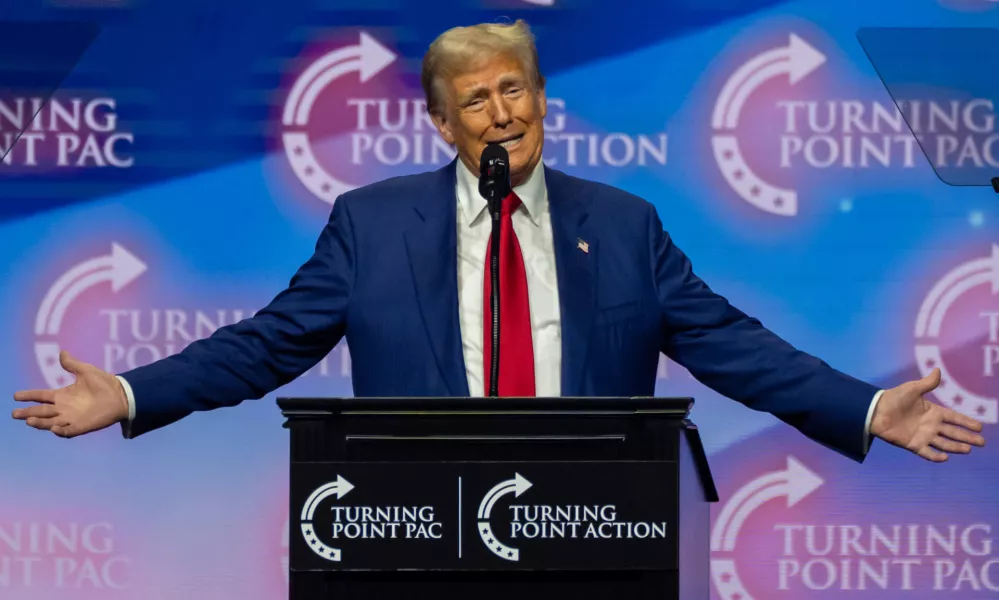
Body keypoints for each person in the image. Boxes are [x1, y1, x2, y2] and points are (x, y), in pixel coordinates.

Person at [12, 20, 985, 463]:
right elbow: (266, 345)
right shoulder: (372, 224)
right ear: (444, 126)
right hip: (415, 533)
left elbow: (732, 346)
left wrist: (863, 409)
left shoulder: (625, 224)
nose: (501, 110)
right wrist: (132, 391)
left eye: (515, 87)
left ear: (544, 104)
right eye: (475, 99)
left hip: (596, 529)